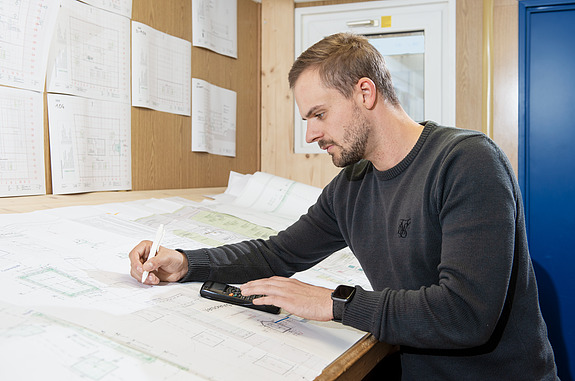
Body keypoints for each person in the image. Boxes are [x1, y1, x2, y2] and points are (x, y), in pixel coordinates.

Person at [129, 32, 558, 380]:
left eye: (319, 114)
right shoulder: (351, 186)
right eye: (306, 120)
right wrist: (186, 262)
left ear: (365, 92)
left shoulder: (467, 161)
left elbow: (464, 315)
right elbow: (277, 253)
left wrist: (335, 302)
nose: (311, 135)